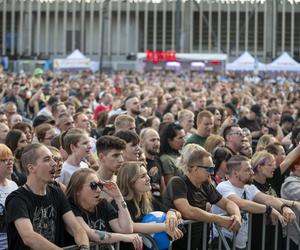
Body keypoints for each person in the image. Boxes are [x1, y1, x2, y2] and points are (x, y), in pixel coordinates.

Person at [5, 143, 89, 249]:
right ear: (31, 168)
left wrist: (84, 247)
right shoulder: (17, 199)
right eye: (47, 159)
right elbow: (29, 237)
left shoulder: (57, 193)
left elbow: (76, 228)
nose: (54, 163)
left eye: (53, 159)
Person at [163, 144, 241, 250]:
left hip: (201, 244)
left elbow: (228, 203)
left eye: (212, 169)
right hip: (178, 244)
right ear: (195, 168)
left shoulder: (206, 185)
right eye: (208, 169)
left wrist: (237, 216)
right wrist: (219, 219)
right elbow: (188, 211)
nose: (212, 173)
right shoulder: (177, 182)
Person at [66, 168, 143, 250]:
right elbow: (90, 233)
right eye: (93, 185)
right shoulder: (70, 207)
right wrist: (123, 237)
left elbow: (126, 229)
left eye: (100, 185)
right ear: (77, 190)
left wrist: (118, 197)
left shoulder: (102, 204)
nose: (99, 190)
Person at [116, 161, 183, 249]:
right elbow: (132, 226)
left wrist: (171, 215)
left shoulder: (148, 199)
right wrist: (165, 227)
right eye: (143, 176)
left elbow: (174, 212)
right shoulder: (121, 202)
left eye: (147, 174)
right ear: (130, 181)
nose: (148, 178)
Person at [140, 128, 166, 204]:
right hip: (146, 204)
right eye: (152, 140)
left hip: (159, 203)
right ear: (142, 142)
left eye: (158, 140)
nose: (157, 143)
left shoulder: (158, 160)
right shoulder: (138, 162)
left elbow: (162, 186)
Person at [0, 144, 18, 250]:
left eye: (11, 159)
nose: (10, 162)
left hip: (14, 243)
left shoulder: (13, 185)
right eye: (4, 160)